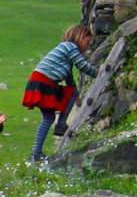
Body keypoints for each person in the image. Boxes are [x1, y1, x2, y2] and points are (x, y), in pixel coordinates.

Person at [23, 25, 97, 163]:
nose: (87, 47)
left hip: (40, 80)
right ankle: (61, 124)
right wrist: (98, 73)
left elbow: (69, 79)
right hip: (45, 81)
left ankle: (36, 152)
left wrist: (77, 98)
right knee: (50, 116)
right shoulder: (70, 47)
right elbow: (82, 65)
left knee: (48, 117)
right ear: (80, 37)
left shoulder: (65, 53)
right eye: (87, 42)